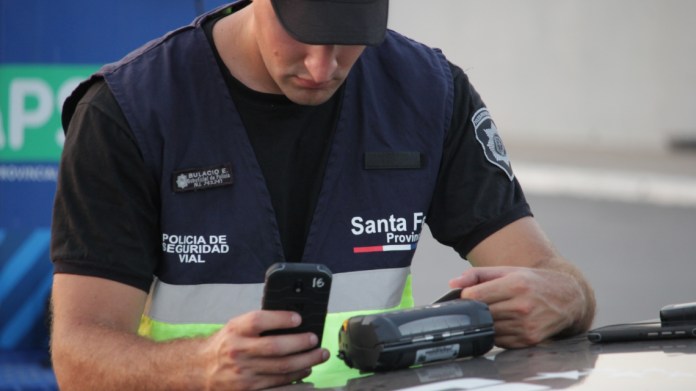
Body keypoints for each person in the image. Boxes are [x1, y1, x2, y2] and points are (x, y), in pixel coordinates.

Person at [49, 0, 596, 389]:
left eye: (347, 36)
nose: (322, 66)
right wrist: (199, 368)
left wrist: (569, 300)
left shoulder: (429, 93)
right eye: (304, 30)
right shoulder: (128, 111)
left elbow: (548, 275)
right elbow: (77, 356)